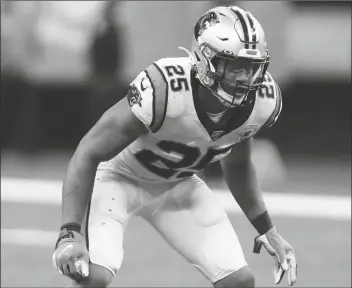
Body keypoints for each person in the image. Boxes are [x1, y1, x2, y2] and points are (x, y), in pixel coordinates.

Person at [52, 5, 297, 288]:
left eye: (252, 67)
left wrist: (267, 229)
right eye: (235, 66)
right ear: (206, 59)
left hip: (178, 185)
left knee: (239, 282)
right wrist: (70, 232)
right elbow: (89, 150)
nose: (245, 78)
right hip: (118, 180)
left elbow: (238, 165)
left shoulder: (262, 102)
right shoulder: (165, 88)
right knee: (94, 277)